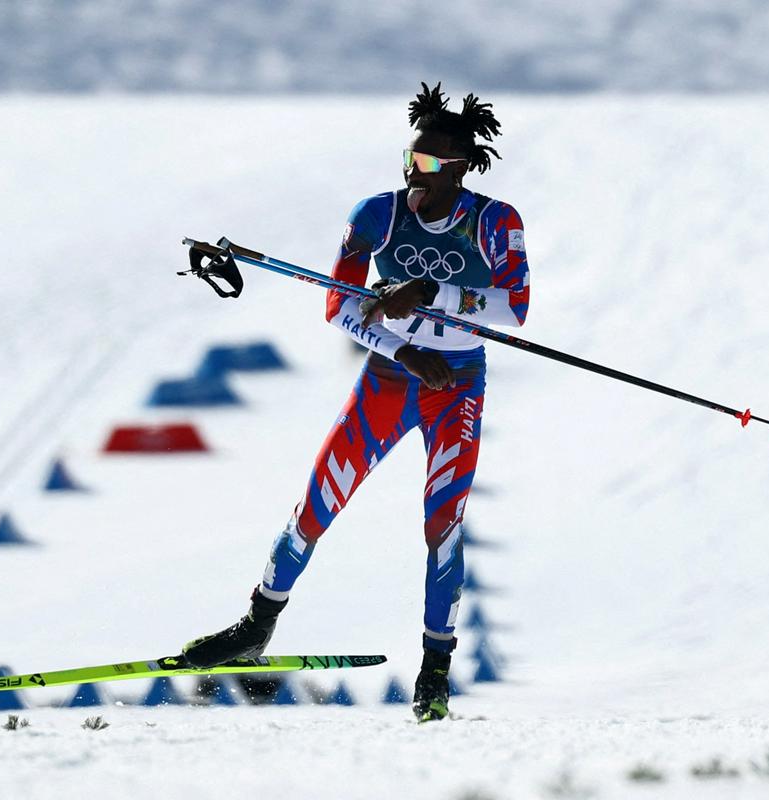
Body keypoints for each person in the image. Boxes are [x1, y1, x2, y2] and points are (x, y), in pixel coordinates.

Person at [182, 82, 530, 722]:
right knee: (318, 498)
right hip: (390, 378)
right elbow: (338, 305)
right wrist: (401, 348)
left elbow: (516, 309)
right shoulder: (375, 213)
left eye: (426, 164)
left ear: (457, 168)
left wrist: (431, 294)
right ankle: (256, 627)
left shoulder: (495, 221)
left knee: (443, 523)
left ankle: (435, 668)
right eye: (409, 158)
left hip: (454, 387)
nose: (411, 173)